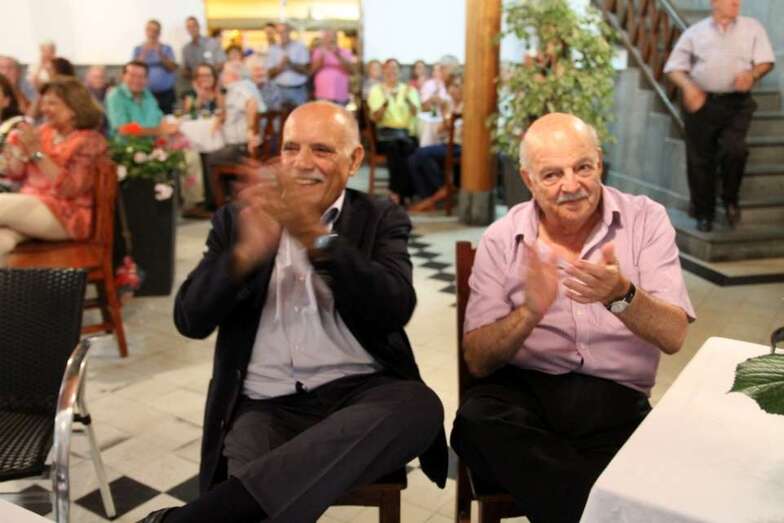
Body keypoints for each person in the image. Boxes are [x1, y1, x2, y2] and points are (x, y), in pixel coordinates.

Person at [137, 101, 447, 523]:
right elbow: (189, 321)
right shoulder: (239, 219)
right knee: (259, 488)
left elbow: (393, 308)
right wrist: (243, 255)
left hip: (358, 394)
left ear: (354, 159)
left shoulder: (379, 217)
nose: (302, 163)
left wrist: (318, 240)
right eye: (291, 148)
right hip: (265, 402)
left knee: (419, 407)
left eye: (321, 150)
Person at [450, 113, 695, 523]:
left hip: (614, 400)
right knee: (475, 423)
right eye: (552, 175)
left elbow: (673, 336)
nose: (571, 185)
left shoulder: (645, 220)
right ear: (528, 180)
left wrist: (621, 295)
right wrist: (529, 313)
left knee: (664, 465)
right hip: (523, 395)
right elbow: (478, 360)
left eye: (582, 167)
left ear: (599, 162)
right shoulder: (501, 237)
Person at [664, 0, 774, 232]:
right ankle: (704, 213)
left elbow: (766, 62)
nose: (736, 2)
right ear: (714, 2)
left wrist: (753, 75)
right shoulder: (695, 33)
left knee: (735, 150)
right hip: (701, 103)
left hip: (737, 103)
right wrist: (688, 86)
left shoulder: (752, 27)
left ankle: (730, 198)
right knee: (700, 160)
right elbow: (673, 68)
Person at [0, 78, 106, 264]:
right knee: (3, 240)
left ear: (73, 108)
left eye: (52, 103)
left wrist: (36, 152)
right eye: (43, 103)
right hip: (31, 207)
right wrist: (16, 152)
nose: (44, 109)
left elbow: (70, 189)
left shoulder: (89, 141)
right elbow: (16, 174)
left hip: (67, 214)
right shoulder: (43, 132)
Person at [203, 62, 263, 209]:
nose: (221, 76)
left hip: (242, 146)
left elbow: (252, 103)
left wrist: (250, 129)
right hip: (245, 145)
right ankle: (227, 198)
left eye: (224, 73)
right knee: (217, 153)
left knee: (210, 157)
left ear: (233, 75)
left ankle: (215, 203)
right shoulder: (241, 87)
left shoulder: (240, 87)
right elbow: (226, 111)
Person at [367, 58, 420, 204]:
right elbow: (376, 118)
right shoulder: (377, 90)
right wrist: (385, 102)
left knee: (405, 147)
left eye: (395, 68)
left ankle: (396, 191)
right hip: (386, 135)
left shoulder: (408, 89)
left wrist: (407, 98)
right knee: (396, 147)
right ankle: (404, 193)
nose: (391, 71)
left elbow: (415, 112)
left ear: (400, 72)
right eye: (388, 68)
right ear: (383, 71)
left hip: (406, 134)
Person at [407, 75, 463, 211]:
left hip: (460, 146)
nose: (453, 90)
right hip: (448, 143)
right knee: (413, 159)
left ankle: (442, 188)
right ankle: (430, 196)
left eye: (457, 86)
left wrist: (448, 122)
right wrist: (445, 117)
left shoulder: (467, 106)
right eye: (451, 86)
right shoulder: (450, 104)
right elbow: (440, 130)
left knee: (421, 153)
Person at [105, 61, 178, 137]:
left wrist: (172, 126)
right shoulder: (115, 95)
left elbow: (160, 118)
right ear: (123, 76)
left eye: (141, 76)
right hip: (127, 144)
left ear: (147, 79)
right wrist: (159, 131)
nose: (137, 80)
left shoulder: (147, 94)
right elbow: (123, 129)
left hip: (153, 142)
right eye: (132, 75)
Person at [132, 19, 178, 114]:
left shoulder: (167, 48)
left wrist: (160, 53)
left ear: (159, 33)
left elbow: (172, 68)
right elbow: (133, 70)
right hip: (145, 94)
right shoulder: (138, 49)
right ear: (146, 31)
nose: (152, 34)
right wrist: (143, 54)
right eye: (150, 30)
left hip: (166, 94)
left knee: (167, 119)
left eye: (155, 31)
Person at [265, 23, 310, 108]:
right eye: (279, 32)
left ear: (289, 31)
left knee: (299, 115)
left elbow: (305, 70)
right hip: (278, 90)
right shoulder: (272, 49)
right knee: (278, 115)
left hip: (298, 90)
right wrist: (281, 66)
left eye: (284, 31)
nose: (282, 35)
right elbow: (270, 74)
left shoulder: (300, 47)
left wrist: (290, 64)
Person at [310, 29, 356, 105]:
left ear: (336, 38)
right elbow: (312, 70)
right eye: (327, 37)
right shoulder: (318, 51)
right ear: (324, 39)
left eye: (332, 36)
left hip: (340, 93)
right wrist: (322, 56)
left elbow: (351, 70)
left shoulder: (345, 51)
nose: (330, 39)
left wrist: (337, 54)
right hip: (322, 93)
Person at [182, 16, 226, 82]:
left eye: (194, 26)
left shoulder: (212, 42)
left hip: (214, 83)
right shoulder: (186, 49)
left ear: (198, 27)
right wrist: (186, 72)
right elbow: (185, 69)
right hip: (197, 84)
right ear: (187, 29)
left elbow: (221, 64)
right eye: (189, 27)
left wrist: (206, 74)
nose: (192, 29)